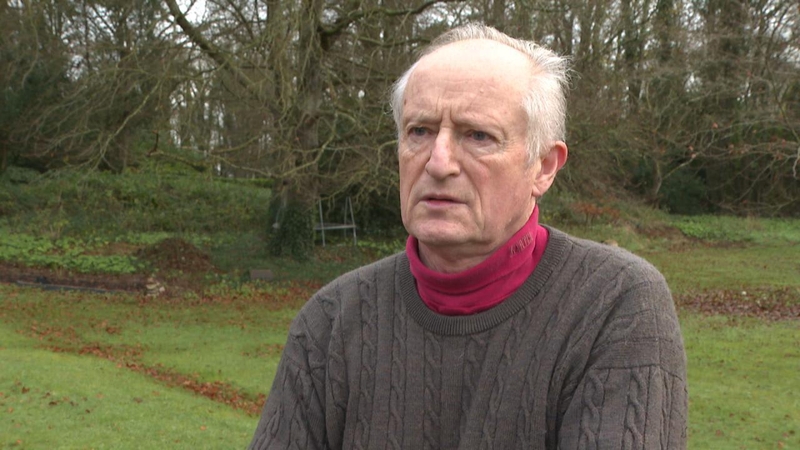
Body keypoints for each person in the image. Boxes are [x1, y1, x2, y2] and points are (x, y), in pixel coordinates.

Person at [249, 24, 687, 450]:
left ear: (544, 167)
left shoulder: (614, 303)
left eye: (478, 135)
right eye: (419, 131)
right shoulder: (330, 321)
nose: (438, 162)